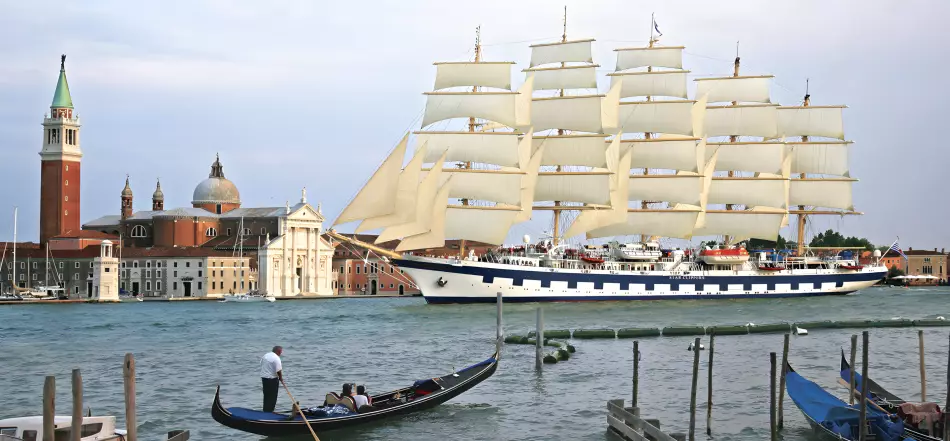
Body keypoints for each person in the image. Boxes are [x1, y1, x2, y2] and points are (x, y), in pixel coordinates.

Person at [260, 346, 283, 412]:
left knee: (266, 396)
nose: (281, 353)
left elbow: (261, 364)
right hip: (272, 380)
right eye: (281, 352)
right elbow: (279, 370)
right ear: (278, 351)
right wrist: (281, 378)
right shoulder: (276, 358)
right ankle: (270, 411)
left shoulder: (265, 355)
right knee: (272, 397)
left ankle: (265, 411)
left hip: (264, 379)